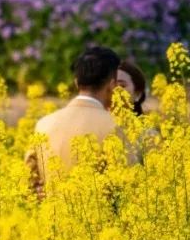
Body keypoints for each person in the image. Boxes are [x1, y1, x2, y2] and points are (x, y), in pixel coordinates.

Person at [26, 46, 135, 191]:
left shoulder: (43, 125)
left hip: (51, 212)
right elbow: (129, 185)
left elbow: (30, 185)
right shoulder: (116, 126)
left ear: (76, 82)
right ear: (111, 85)